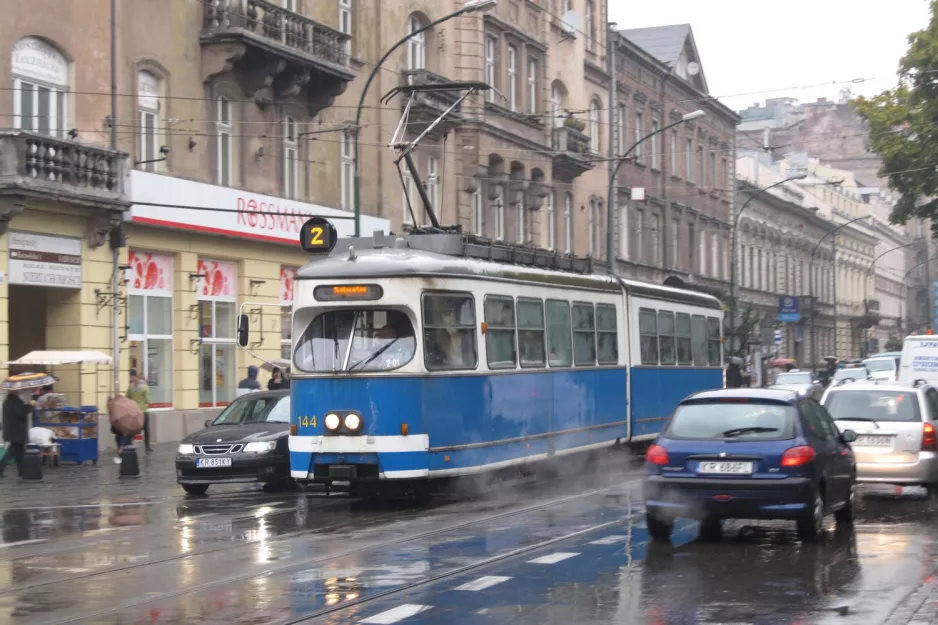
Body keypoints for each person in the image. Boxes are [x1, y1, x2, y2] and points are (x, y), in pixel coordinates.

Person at [0, 389, 32, 477]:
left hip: (13, 432)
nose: (19, 391)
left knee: (20, 453)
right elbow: (21, 413)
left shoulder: (8, 401)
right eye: (17, 390)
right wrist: (29, 406)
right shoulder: (14, 401)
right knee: (12, 452)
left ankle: (22, 472)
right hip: (16, 432)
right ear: (13, 391)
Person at [127, 369, 152, 453]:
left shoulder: (131, 386)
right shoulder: (144, 387)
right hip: (143, 411)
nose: (130, 378)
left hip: (134, 411)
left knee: (134, 428)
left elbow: (127, 398)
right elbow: (148, 400)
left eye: (130, 376)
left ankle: (130, 445)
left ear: (133, 376)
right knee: (146, 429)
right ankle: (147, 447)